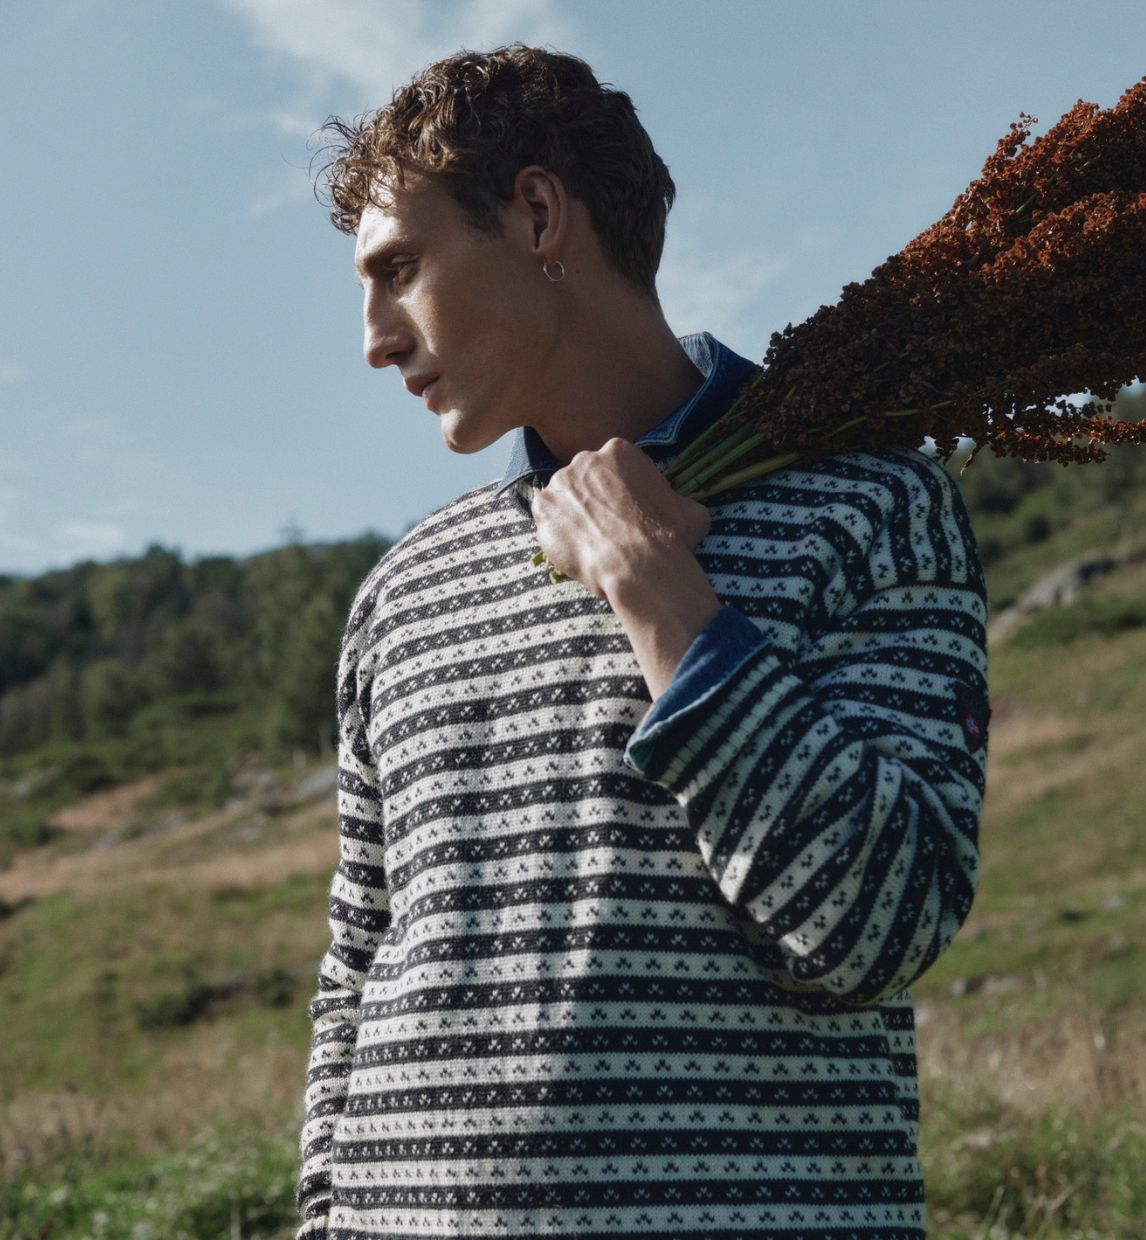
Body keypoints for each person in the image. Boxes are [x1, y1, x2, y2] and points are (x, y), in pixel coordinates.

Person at [296, 44, 989, 1240]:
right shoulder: (404, 589)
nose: (375, 337)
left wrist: (662, 598)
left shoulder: (870, 504)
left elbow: (881, 924)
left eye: (399, 269)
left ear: (536, 214)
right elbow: (356, 970)